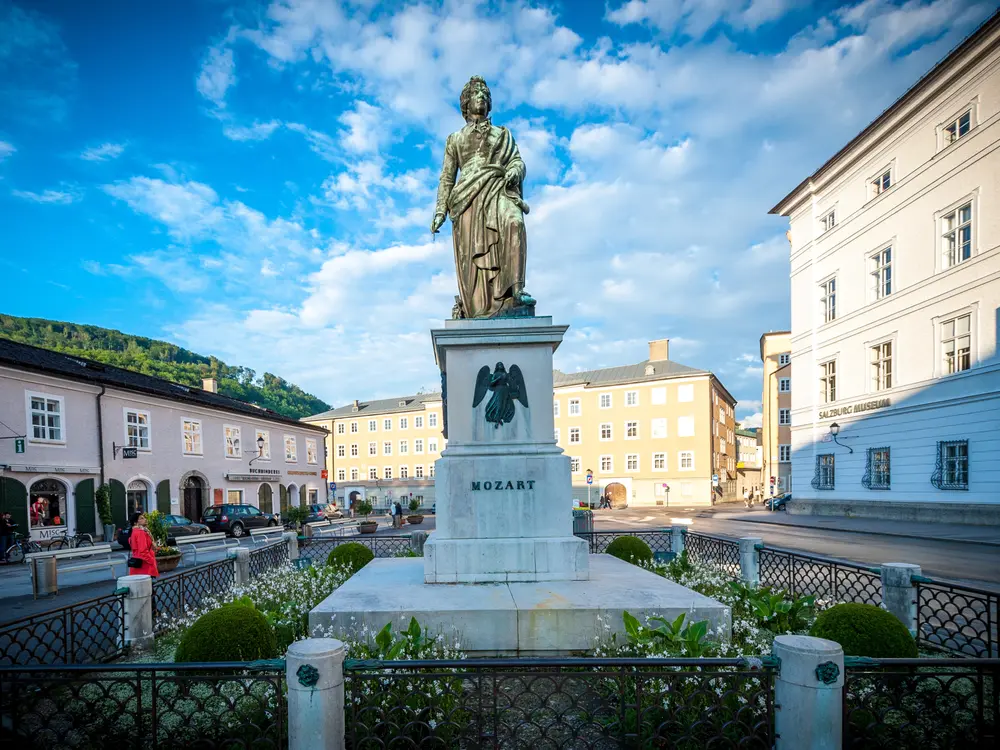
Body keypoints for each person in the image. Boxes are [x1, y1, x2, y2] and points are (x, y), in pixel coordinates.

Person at [127, 511, 159, 578]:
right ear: (135, 522)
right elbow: (143, 550)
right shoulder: (140, 532)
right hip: (145, 566)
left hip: (137, 564)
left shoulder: (133, 531)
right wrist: (151, 561)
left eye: (144, 518)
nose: (145, 519)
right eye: (141, 518)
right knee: (148, 587)